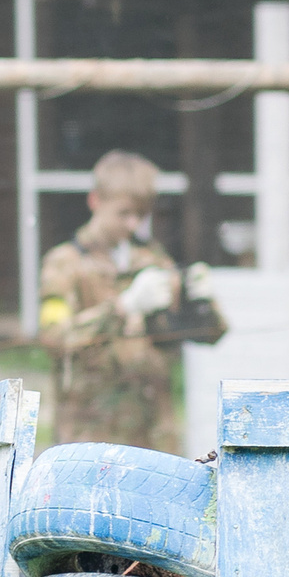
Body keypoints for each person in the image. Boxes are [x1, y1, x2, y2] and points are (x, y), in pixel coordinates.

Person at [37, 151, 217, 449]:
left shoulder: (153, 259)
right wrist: (122, 308)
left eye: (141, 215)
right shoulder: (65, 263)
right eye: (124, 213)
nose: (133, 224)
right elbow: (54, 337)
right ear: (95, 201)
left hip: (154, 436)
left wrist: (200, 304)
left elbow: (204, 335)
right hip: (89, 436)